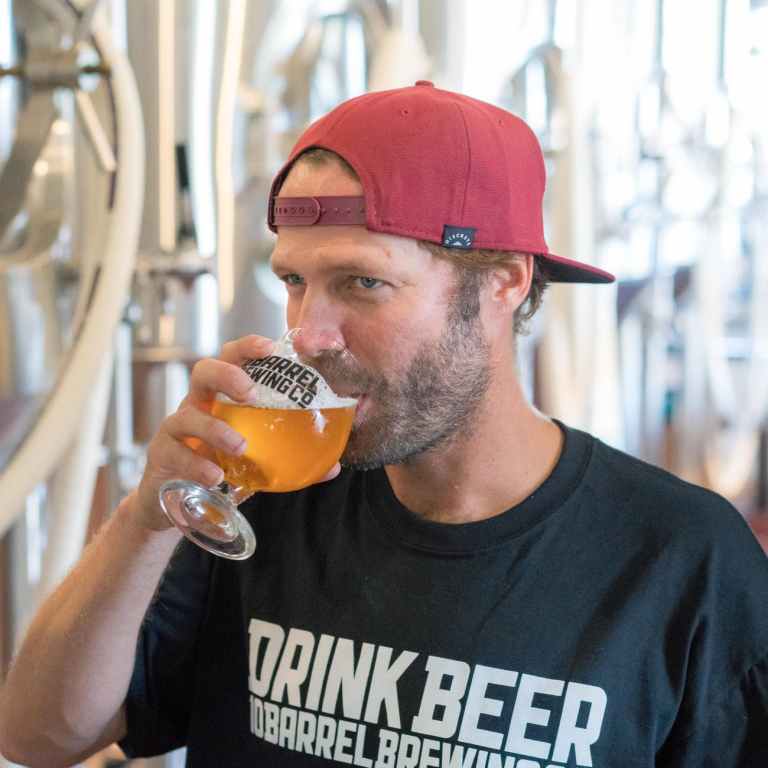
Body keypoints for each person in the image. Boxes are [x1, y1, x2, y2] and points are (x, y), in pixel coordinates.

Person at [1, 81, 767, 768]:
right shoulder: (261, 501)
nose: (309, 333)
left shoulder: (681, 556)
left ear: (503, 283)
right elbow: (37, 736)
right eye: (294, 280)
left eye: (362, 282)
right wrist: (146, 517)